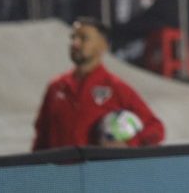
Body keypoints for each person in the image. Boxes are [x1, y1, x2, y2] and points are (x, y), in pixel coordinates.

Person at [33, 17, 164, 150]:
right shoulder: (56, 87)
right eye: (73, 38)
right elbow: (41, 138)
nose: (75, 43)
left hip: (97, 170)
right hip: (60, 171)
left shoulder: (116, 88)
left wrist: (129, 144)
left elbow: (156, 128)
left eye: (84, 38)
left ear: (104, 45)